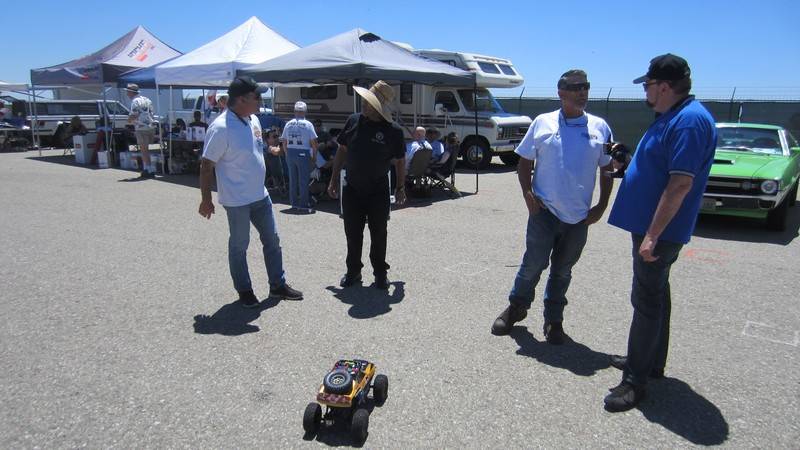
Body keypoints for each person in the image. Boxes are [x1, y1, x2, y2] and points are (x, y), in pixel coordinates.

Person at [603, 54, 716, 412]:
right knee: (656, 294)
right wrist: (628, 161)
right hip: (652, 227)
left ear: (664, 87)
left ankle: (635, 381)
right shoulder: (673, 116)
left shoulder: (689, 121)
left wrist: (653, 234)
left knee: (646, 301)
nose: (646, 91)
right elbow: (659, 167)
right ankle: (650, 361)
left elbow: (680, 183)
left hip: (660, 231)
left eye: (648, 85)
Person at [490, 69, 614, 344]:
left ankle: (554, 320)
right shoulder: (542, 122)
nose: (583, 92)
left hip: (579, 218)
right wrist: (528, 194)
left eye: (586, 86)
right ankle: (516, 308)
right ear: (561, 92)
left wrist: (602, 205)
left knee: (562, 271)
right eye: (576, 87)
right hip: (544, 212)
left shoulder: (600, 127)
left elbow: (607, 169)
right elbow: (524, 161)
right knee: (533, 264)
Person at [198, 76, 303, 308]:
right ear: (241, 99)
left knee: (272, 240)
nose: (261, 101)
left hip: (260, 195)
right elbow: (206, 165)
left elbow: (254, 148)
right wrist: (206, 199)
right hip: (237, 200)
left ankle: (277, 285)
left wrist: (271, 150)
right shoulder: (221, 128)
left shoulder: (253, 119)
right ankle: (244, 290)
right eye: (257, 97)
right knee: (239, 246)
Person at [328, 80, 407, 290]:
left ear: (379, 108)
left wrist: (400, 188)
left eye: (368, 103)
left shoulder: (393, 131)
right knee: (352, 234)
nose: (363, 104)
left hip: (378, 191)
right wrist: (333, 179)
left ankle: (380, 273)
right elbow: (342, 150)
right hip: (352, 188)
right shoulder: (353, 120)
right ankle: (353, 271)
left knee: (379, 233)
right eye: (364, 100)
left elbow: (400, 161)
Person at [280, 101, 318, 212]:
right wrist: (314, 156)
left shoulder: (288, 124)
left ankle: (294, 204)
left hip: (290, 152)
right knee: (303, 180)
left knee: (293, 180)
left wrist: (287, 154)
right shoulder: (308, 124)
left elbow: (284, 142)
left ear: (295, 111)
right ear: (305, 111)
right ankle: (303, 204)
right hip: (303, 153)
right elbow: (314, 143)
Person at [126, 83, 157, 178]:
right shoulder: (147, 99)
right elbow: (152, 112)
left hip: (141, 127)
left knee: (144, 150)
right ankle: (149, 168)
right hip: (150, 126)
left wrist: (129, 120)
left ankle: (148, 169)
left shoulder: (135, 101)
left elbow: (134, 114)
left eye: (128, 92)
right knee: (147, 149)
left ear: (131, 92)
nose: (127, 94)